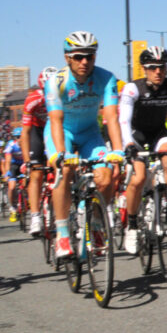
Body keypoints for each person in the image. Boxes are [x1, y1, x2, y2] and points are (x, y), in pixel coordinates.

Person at [44, 32, 124, 260]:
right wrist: (61, 154)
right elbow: (56, 121)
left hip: (90, 133)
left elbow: (112, 116)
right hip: (62, 132)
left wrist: (117, 150)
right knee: (65, 169)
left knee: (106, 176)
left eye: (90, 56)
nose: (85, 62)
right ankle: (61, 234)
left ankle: (96, 224)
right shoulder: (56, 82)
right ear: (67, 57)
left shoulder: (106, 78)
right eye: (78, 57)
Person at [118, 46, 167, 254]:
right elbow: (123, 118)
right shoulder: (133, 88)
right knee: (139, 178)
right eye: (153, 68)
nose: (158, 72)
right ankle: (131, 226)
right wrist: (129, 144)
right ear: (144, 69)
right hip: (136, 135)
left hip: (159, 133)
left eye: (162, 67)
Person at [21, 67, 57, 234]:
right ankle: (35, 216)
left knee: (58, 167)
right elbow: (25, 132)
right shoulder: (33, 100)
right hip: (36, 131)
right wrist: (27, 160)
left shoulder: (63, 96)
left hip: (54, 129)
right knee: (36, 173)